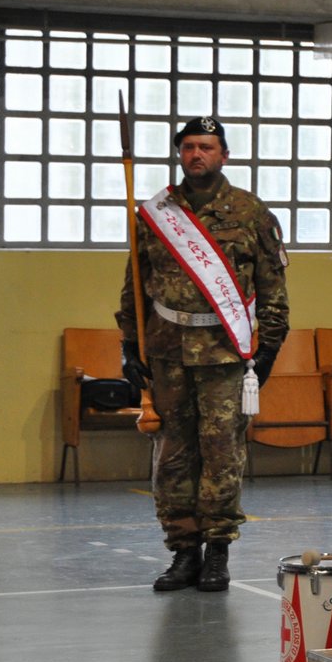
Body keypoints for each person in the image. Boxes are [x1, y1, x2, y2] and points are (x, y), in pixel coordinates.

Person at [117, 116, 289, 593]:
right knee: (172, 454)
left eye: (207, 147)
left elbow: (274, 289)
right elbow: (134, 284)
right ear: (179, 153)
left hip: (224, 356)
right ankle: (183, 552)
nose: (197, 155)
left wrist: (269, 348)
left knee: (222, 456)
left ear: (224, 155)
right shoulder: (156, 215)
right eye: (189, 146)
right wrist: (130, 345)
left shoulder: (252, 214)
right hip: (168, 353)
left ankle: (218, 553)